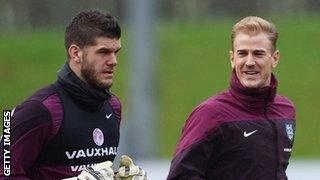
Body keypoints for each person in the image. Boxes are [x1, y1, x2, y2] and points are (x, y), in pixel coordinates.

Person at [0, 10, 145, 179]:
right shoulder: (37, 109)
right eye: (103, 52)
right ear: (75, 53)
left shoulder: (113, 106)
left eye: (116, 52)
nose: (113, 61)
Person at [167, 16, 296, 180]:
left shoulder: (286, 110)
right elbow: (180, 176)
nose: (249, 62)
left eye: (258, 54)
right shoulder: (210, 113)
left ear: (275, 58)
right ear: (232, 58)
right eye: (242, 53)